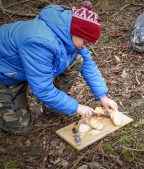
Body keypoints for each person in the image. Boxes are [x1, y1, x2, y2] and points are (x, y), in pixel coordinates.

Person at [0, 1, 118, 135]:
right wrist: (76, 107)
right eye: (85, 42)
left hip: (29, 66)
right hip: (6, 74)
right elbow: (42, 89)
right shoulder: (39, 42)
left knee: (78, 59)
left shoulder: (68, 33)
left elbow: (87, 63)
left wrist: (103, 96)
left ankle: (52, 105)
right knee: (21, 128)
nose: (85, 46)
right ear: (75, 32)